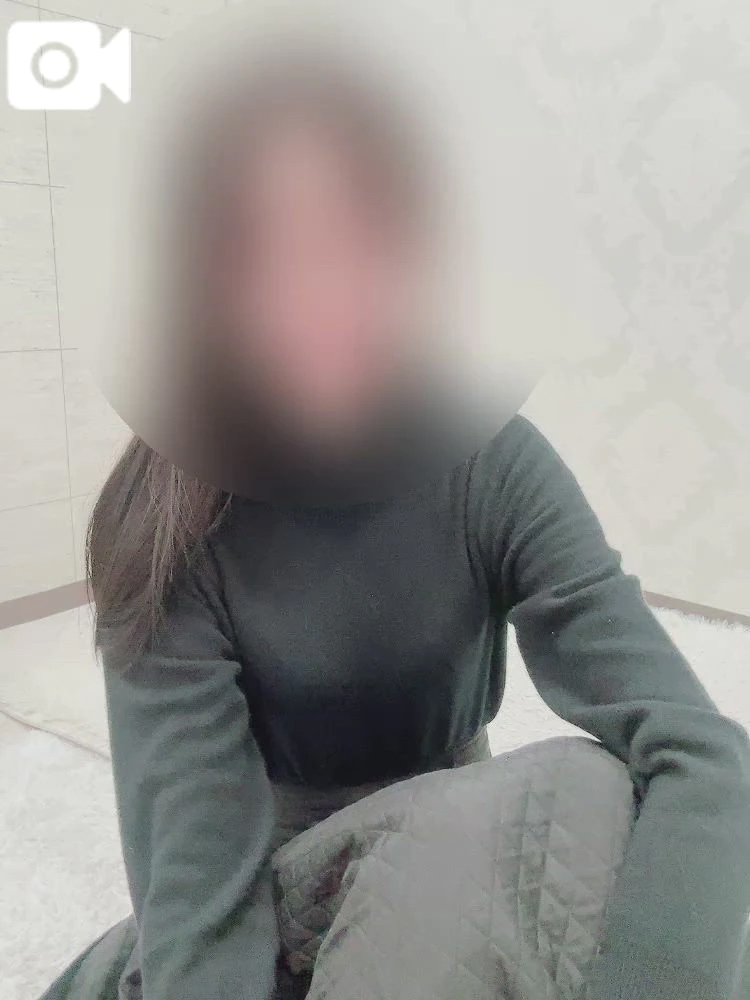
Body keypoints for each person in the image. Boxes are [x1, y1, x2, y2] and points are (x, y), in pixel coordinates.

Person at [46, 65, 749, 1000]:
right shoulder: (159, 524)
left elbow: (698, 752)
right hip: (279, 875)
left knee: (598, 803)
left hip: (465, 837)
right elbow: (196, 880)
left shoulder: (491, 463)